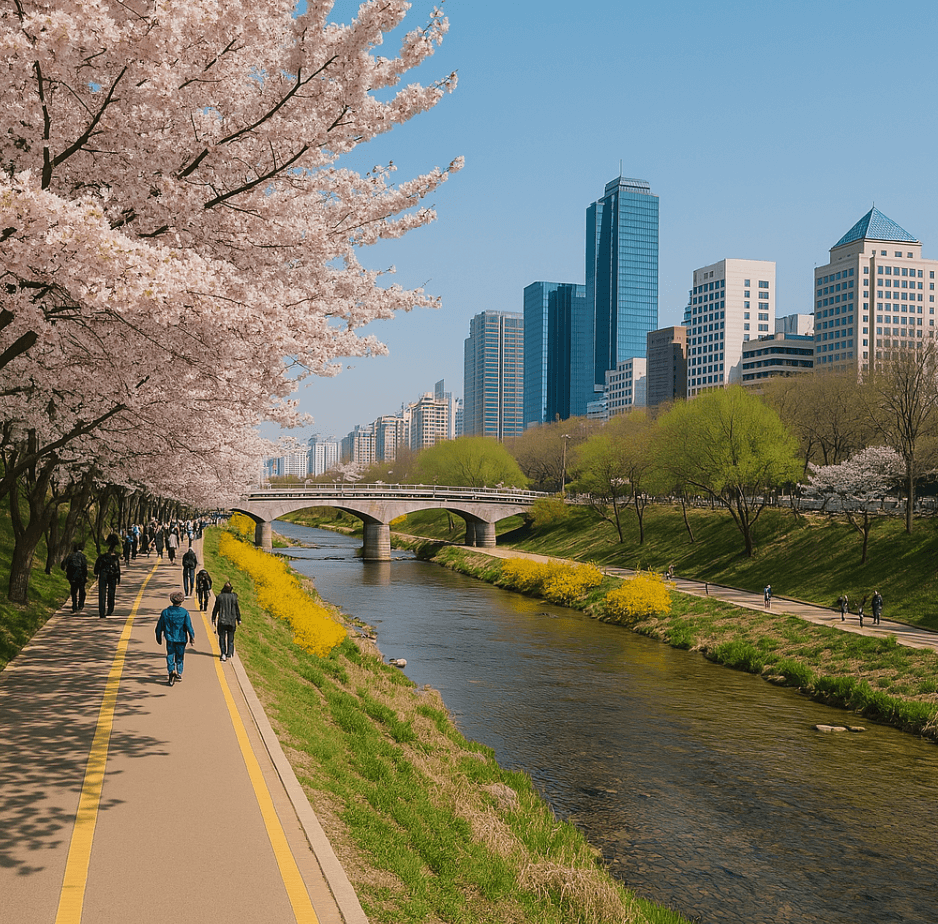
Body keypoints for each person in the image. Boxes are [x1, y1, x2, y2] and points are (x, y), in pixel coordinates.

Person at [156, 591, 195, 684]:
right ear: (181, 602)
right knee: (180, 656)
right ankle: (179, 672)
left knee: (170, 654)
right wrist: (192, 636)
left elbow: (159, 626)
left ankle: (171, 670)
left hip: (170, 638)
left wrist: (158, 636)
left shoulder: (165, 612)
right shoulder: (184, 612)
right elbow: (188, 626)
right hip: (181, 638)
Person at [212, 582, 242, 662]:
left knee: (222, 638)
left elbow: (216, 609)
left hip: (222, 621)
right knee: (231, 638)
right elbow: (237, 609)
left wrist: (213, 618)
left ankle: (223, 654)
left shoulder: (220, 597)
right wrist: (239, 619)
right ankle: (229, 653)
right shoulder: (234, 597)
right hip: (232, 621)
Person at [93, 545, 122, 618]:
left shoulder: (102, 557)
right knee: (111, 592)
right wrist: (118, 578)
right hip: (112, 575)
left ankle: (102, 612)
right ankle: (110, 610)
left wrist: (96, 573)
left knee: (102, 593)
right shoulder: (115, 558)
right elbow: (117, 569)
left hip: (103, 574)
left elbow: (96, 568)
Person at [62, 544, 88, 613]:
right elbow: (84, 566)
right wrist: (85, 576)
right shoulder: (82, 556)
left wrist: (66, 571)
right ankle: (81, 604)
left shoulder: (70, 556)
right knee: (82, 591)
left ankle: (74, 606)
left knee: (73, 591)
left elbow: (63, 565)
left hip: (72, 576)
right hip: (80, 575)